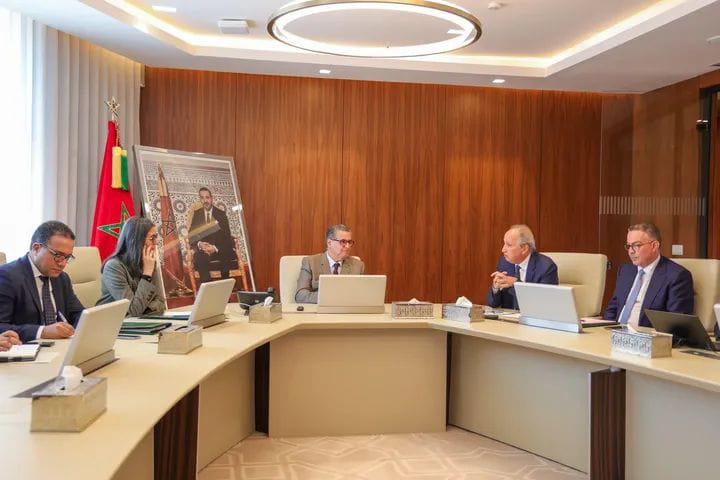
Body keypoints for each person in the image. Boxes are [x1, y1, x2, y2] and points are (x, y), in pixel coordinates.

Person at [0, 221, 83, 343]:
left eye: (67, 257)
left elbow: (78, 314)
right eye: (58, 255)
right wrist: (42, 331)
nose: (63, 263)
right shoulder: (7, 276)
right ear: (36, 249)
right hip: (26, 348)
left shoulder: (62, 278)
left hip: (60, 346)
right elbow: (1, 326)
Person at [603, 222, 693, 327]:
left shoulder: (677, 276)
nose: (631, 251)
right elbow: (613, 308)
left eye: (636, 245)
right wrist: (604, 329)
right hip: (616, 332)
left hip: (646, 334)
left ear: (654, 246)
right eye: (629, 246)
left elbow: (675, 323)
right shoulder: (626, 270)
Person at [97, 216, 166, 317]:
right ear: (135, 241)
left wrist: (143, 308)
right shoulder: (113, 267)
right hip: (111, 322)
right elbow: (134, 311)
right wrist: (147, 274)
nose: (156, 243)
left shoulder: (148, 262)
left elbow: (161, 304)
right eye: (152, 238)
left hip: (140, 321)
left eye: (156, 237)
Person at [487, 224, 558, 310]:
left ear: (524, 249)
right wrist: (495, 288)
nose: (503, 249)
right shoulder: (504, 263)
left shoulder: (546, 267)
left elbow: (545, 303)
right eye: (504, 244)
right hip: (508, 317)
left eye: (509, 245)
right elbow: (492, 304)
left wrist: (516, 284)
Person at [295, 224, 365, 303]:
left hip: (346, 309)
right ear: (329, 243)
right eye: (343, 242)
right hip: (320, 309)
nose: (348, 246)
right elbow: (300, 295)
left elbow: (362, 295)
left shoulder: (358, 266)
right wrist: (332, 297)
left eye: (349, 242)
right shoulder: (311, 262)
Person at [188, 187, 235, 284]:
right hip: (204, 250)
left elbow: (227, 237)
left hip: (218, 249)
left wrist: (214, 248)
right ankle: (208, 286)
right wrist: (200, 244)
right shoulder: (197, 215)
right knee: (199, 256)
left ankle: (224, 289)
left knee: (226, 253)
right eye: (202, 198)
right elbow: (191, 236)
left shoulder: (221, 214)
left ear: (212, 198)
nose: (205, 200)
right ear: (200, 199)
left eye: (207, 197)